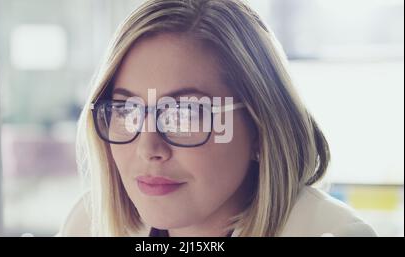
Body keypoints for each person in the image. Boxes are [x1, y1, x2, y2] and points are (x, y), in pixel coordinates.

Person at [58, 0, 376, 237]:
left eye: (183, 114)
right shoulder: (88, 224)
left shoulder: (334, 233)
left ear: (259, 129)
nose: (148, 147)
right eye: (126, 110)